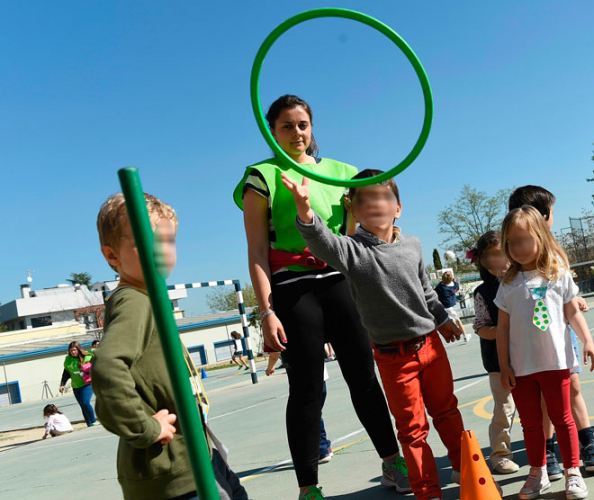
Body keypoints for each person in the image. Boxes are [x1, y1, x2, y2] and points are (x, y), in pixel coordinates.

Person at [234, 95, 408, 499]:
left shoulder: (344, 173)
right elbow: (257, 251)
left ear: (311, 127)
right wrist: (267, 312)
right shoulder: (261, 176)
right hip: (292, 288)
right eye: (286, 126)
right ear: (271, 131)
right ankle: (308, 486)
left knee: (364, 378)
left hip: (339, 282)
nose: (296, 133)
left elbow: (356, 236)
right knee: (307, 390)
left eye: (303, 125)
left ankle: (392, 461)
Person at [283, 168, 467, 500]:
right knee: (412, 430)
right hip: (394, 359)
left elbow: (425, 290)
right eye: (365, 199)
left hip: (430, 346)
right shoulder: (351, 251)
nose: (375, 203)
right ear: (352, 210)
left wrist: (442, 319)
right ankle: (427, 491)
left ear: (398, 208)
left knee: (447, 411)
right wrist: (305, 210)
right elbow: (321, 241)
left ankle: (464, 468)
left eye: (383, 196)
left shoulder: (413, 245)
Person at [92, 193, 249, 500]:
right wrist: (145, 427)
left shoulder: (147, 297)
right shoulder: (133, 301)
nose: (163, 249)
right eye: (148, 241)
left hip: (197, 454)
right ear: (112, 255)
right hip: (174, 467)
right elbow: (107, 369)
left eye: (168, 240)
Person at [495, 206, 594, 500]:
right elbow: (503, 328)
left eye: (523, 240)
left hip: (556, 363)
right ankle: (537, 473)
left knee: (563, 418)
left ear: (540, 237)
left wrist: (588, 341)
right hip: (522, 368)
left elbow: (573, 313)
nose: (517, 248)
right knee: (530, 424)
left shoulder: (558, 273)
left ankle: (573, 472)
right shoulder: (507, 284)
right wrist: (504, 364)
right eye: (511, 242)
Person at [471, 230, 520, 474]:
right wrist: (504, 331)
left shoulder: (523, 280)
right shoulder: (483, 292)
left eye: (501, 253)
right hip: (498, 362)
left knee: (539, 405)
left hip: (531, 356)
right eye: (491, 255)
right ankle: (500, 454)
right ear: (482, 260)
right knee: (504, 408)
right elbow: (481, 328)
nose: (498, 260)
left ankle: (545, 448)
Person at [59, 341, 97, 427]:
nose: (73, 352)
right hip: (76, 385)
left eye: (75, 350)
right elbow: (66, 373)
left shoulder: (88, 357)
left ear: (79, 349)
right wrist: (62, 384)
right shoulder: (68, 360)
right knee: (82, 405)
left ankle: (93, 420)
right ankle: (89, 423)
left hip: (87, 383)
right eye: (71, 350)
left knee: (85, 402)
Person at [434, 271, 469, 342]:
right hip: (450, 308)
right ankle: (465, 335)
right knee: (458, 321)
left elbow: (435, 290)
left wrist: (441, 282)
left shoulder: (440, 288)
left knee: (448, 322)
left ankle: (457, 332)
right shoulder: (454, 287)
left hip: (442, 308)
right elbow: (457, 287)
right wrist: (454, 281)